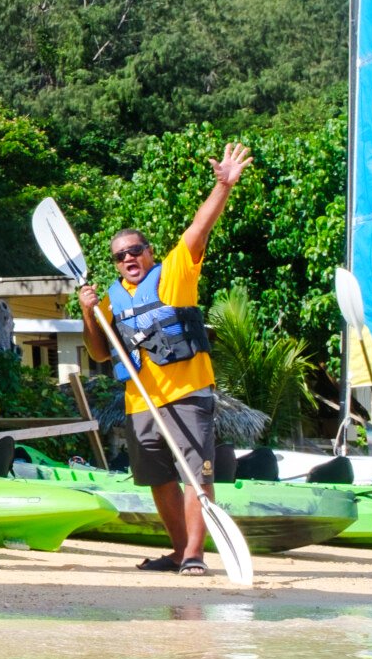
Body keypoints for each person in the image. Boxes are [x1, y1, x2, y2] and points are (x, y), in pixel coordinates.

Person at [80, 142, 253, 577]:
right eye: (120, 256)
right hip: (141, 404)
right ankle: (179, 551)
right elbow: (101, 352)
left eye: (135, 250)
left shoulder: (175, 273)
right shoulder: (110, 300)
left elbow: (198, 227)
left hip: (187, 395)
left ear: (150, 252)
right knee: (158, 479)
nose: (129, 259)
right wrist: (87, 311)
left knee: (198, 475)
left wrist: (223, 186)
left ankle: (195, 554)